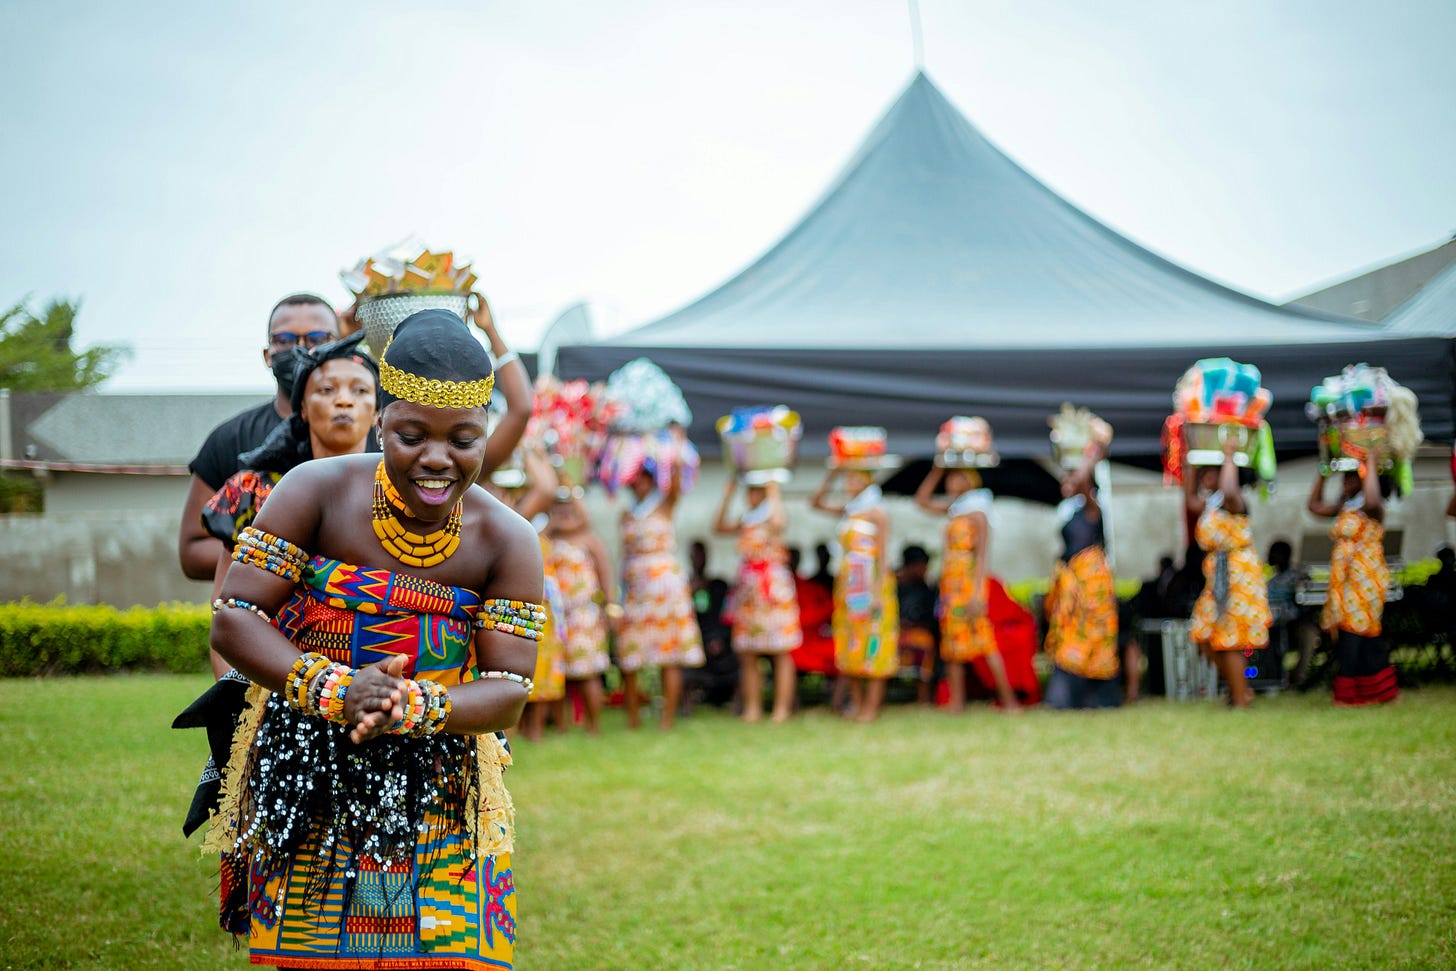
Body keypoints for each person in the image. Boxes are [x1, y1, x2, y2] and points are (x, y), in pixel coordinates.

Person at [205, 308, 542, 968]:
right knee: (316, 957)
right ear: (380, 421)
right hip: (310, 764)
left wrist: (411, 706)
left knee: (442, 958)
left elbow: (510, 687)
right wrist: (333, 687)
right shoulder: (316, 490)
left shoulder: (508, 537)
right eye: (412, 434)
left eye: (464, 439)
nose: (438, 459)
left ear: (484, 436)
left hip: (445, 781)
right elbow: (235, 613)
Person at [199, 333, 380, 676]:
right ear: (302, 408)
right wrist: (236, 700)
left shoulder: (398, 497)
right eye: (327, 390)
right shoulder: (253, 492)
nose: (344, 401)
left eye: (360, 390)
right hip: (278, 683)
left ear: (377, 413)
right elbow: (226, 608)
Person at [178, 293, 341, 581]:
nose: (301, 349)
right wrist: (284, 558)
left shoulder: (377, 436)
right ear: (267, 355)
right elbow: (192, 551)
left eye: (317, 338)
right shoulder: (229, 439)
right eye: (285, 340)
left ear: (340, 347)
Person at [616, 435, 706, 730]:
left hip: (665, 586)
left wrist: (670, 441)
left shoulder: (666, 503)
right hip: (637, 586)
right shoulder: (626, 514)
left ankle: (666, 719)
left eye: (643, 477)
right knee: (630, 654)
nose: (638, 483)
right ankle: (633, 718)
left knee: (670, 654)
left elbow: (678, 476)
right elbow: (623, 556)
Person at [916, 466, 1020, 712]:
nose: (952, 481)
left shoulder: (978, 512)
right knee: (952, 645)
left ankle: (1009, 701)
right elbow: (921, 501)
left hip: (969, 583)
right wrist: (937, 470)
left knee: (984, 641)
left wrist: (977, 592)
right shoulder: (954, 510)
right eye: (950, 476)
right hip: (950, 586)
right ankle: (957, 701)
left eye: (958, 476)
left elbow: (983, 555)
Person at [1184, 437, 1272, 708]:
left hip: (1238, 576)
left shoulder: (1235, 502)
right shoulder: (1210, 504)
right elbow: (1189, 500)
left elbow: (1230, 490)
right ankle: (1239, 689)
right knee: (1204, 635)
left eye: (1214, 471)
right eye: (1205, 471)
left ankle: (1240, 698)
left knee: (1230, 639)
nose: (1206, 476)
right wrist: (1188, 458)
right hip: (1218, 576)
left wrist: (1229, 455)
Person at [811, 466, 898, 722]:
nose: (850, 483)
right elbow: (816, 503)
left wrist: (878, 593)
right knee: (851, 643)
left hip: (871, 582)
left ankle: (871, 707)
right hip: (849, 584)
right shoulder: (850, 510)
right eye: (848, 477)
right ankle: (857, 704)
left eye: (856, 477)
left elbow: (883, 557)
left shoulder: (877, 512)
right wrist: (832, 473)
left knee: (874, 642)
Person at [1308, 462, 1398, 706]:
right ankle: (1376, 692)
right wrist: (1324, 470)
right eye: (1344, 478)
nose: (1345, 482)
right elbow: (1313, 506)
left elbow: (1371, 500)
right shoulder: (1345, 507)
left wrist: (1368, 459)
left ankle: (1347, 692)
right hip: (1344, 578)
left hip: (1365, 578)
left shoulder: (1374, 508)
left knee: (1355, 630)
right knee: (1354, 631)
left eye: (1352, 477)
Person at [714, 476, 801, 722]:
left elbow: (779, 522)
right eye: (750, 491)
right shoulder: (746, 520)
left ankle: (781, 710)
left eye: (757, 491)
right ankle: (753, 707)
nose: (752, 496)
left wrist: (774, 491)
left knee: (781, 650)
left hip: (772, 590)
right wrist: (728, 494)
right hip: (749, 590)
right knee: (748, 652)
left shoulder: (771, 517)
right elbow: (718, 527)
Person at [1043, 443, 1121, 709]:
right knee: (1070, 634)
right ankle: (1066, 697)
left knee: (1094, 636)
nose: (1067, 481)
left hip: (1092, 584)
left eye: (1071, 477)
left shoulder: (1093, 508)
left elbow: (1084, 480)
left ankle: (1096, 697)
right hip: (1072, 580)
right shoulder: (1070, 510)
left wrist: (1093, 455)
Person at [545, 492, 616, 734]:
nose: (564, 515)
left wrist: (611, 607)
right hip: (554, 618)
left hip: (584, 615)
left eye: (569, 510)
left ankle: (593, 726)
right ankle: (560, 727)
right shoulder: (547, 539)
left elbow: (605, 574)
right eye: (559, 509)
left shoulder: (588, 539)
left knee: (587, 673)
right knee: (556, 673)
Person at [894, 545, 938, 704]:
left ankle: (923, 699)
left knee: (925, 642)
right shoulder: (891, 584)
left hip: (917, 633)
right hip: (892, 631)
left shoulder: (926, 588)